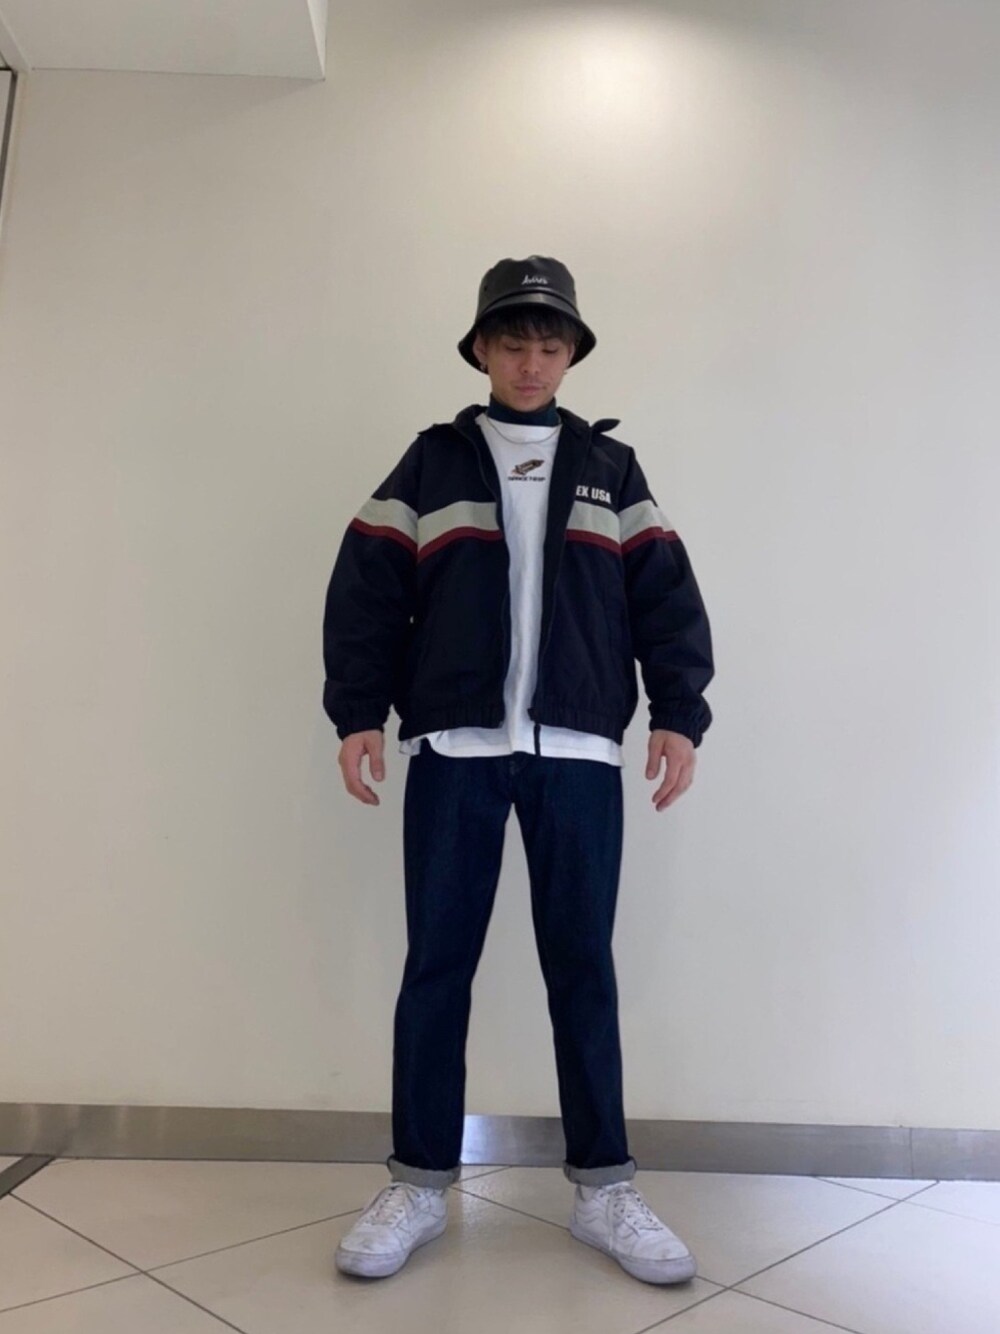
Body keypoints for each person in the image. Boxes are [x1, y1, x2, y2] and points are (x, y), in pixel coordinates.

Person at [321, 255, 714, 1284]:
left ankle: (604, 1187)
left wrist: (678, 713)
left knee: (582, 967)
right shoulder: (431, 462)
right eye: (512, 342)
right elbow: (366, 591)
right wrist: (358, 712)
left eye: (549, 343)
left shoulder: (610, 469)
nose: (531, 361)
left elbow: (666, 598)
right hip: (456, 749)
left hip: (576, 752)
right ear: (481, 350)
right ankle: (418, 1181)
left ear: (571, 352)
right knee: (435, 967)